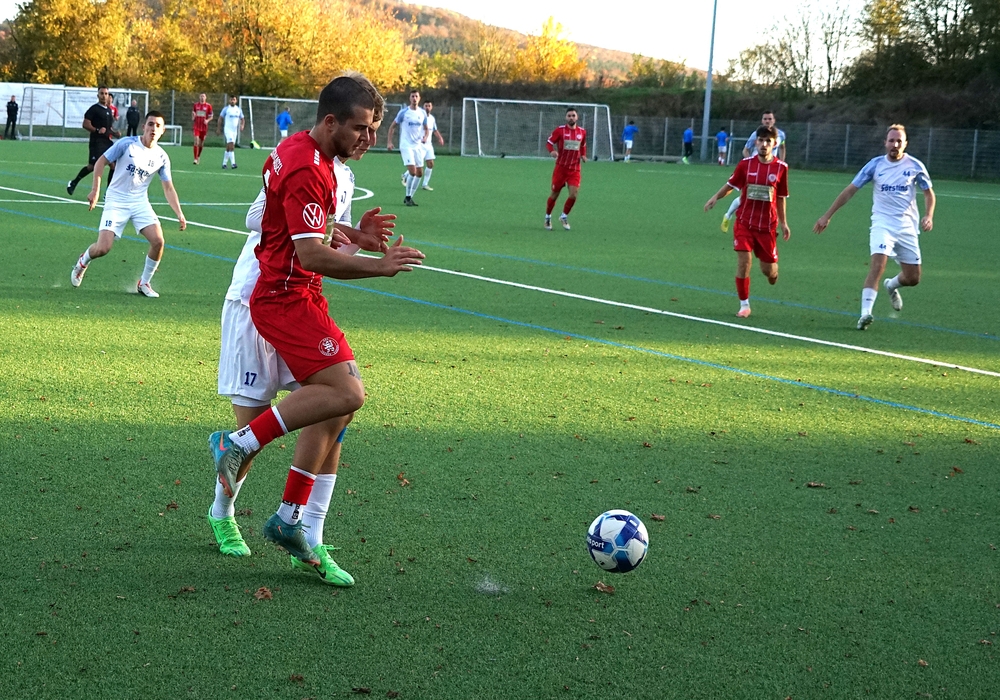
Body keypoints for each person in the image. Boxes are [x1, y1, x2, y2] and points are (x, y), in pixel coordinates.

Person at [207, 74, 424, 570]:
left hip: (300, 294)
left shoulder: (334, 168)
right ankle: (224, 510)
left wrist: (352, 236)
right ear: (331, 122)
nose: (370, 139)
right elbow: (273, 224)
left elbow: (317, 237)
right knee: (257, 430)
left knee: (337, 406)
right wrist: (373, 263)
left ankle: (305, 527)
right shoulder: (307, 163)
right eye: (362, 129)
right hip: (259, 297)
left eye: (374, 129)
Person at [813, 124, 935, 331]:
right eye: (891, 140)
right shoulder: (875, 165)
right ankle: (865, 314)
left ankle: (891, 285)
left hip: (907, 227)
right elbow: (850, 190)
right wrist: (827, 215)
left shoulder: (915, 166)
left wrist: (928, 215)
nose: (895, 144)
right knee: (877, 266)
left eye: (899, 141)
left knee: (913, 278)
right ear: (885, 143)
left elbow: (929, 193)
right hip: (882, 224)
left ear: (905, 144)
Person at [70, 111, 187, 297]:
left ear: (163, 130)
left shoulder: (162, 157)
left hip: (139, 202)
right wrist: (95, 190)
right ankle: (83, 261)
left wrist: (179, 213)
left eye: (158, 125)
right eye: (150, 124)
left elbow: (168, 188)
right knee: (103, 248)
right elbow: (100, 162)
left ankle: (144, 283)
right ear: (144, 127)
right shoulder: (127, 144)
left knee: (158, 241)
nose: (153, 129)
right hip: (116, 200)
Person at [703, 125, 790, 318]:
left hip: (767, 226)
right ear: (756, 142)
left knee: (768, 271)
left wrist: (784, 223)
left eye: (768, 141)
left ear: (774, 144)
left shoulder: (781, 168)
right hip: (744, 223)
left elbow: (781, 197)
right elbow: (731, 185)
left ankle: (773, 273)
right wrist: (715, 197)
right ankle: (744, 305)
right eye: (761, 140)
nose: (764, 144)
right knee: (744, 262)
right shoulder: (745, 165)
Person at [722, 111, 786, 231]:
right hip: (754, 171)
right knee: (747, 196)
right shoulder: (755, 135)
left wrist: (781, 163)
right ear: (762, 121)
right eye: (765, 119)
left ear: (774, 120)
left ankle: (767, 224)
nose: (767, 121)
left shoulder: (780, 135)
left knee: (769, 197)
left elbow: (782, 147)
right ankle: (728, 215)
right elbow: (745, 150)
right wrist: (750, 166)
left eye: (770, 119)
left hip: (771, 171)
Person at [67, 86, 118, 195]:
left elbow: (108, 128)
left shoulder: (109, 110)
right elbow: (85, 124)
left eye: (106, 94)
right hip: (96, 142)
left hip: (107, 142)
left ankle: (108, 193)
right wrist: (97, 130)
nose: (104, 96)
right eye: (101, 93)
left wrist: (114, 133)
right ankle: (74, 182)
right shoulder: (94, 109)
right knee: (92, 167)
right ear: (98, 95)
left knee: (114, 165)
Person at [544, 107, 587, 231]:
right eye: (569, 116)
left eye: (573, 115)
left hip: (574, 169)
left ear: (577, 117)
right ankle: (547, 217)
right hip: (561, 168)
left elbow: (583, 145)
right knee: (554, 194)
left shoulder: (582, 132)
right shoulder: (560, 130)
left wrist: (584, 155)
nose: (571, 118)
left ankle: (564, 216)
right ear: (566, 117)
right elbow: (549, 142)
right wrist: (552, 151)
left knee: (574, 194)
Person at [386, 89, 429, 206]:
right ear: (409, 98)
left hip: (417, 146)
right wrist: (389, 142)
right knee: (412, 171)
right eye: (412, 96)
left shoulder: (422, 113)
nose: (414, 98)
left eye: (416, 96)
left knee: (419, 173)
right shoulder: (404, 112)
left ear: (419, 98)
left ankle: (410, 197)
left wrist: (425, 137)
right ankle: (408, 196)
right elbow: (392, 126)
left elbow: (426, 129)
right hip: (406, 145)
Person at [419, 100, 445, 191]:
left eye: (429, 106)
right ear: (423, 107)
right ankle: (406, 175)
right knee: (418, 165)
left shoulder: (432, 118)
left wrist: (440, 138)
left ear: (431, 107)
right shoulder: (419, 117)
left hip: (429, 145)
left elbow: (434, 130)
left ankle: (425, 184)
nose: (427, 107)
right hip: (420, 144)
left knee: (430, 164)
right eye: (426, 106)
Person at [217, 95, 245, 169]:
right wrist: (218, 128)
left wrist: (242, 125)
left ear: (236, 101)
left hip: (234, 131)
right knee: (231, 145)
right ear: (229, 100)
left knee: (229, 147)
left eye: (234, 99)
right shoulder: (226, 109)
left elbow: (242, 119)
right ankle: (233, 164)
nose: (232, 101)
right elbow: (220, 118)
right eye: (231, 99)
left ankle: (224, 164)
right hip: (228, 130)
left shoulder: (238, 109)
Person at [191, 93, 213, 165]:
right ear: (199, 97)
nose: (202, 98)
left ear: (206, 98)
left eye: (203, 96)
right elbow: (193, 115)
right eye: (201, 96)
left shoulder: (208, 106)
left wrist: (207, 120)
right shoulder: (195, 105)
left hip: (204, 127)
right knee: (196, 141)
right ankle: (195, 158)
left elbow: (211, 116)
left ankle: (198, 156)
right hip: (196, 126)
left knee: (201, 144)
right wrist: (193, 117)